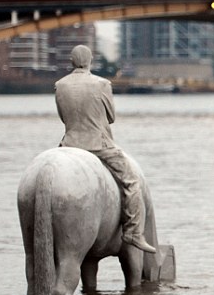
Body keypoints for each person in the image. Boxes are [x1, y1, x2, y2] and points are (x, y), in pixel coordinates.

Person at [54, 45, 157, 254]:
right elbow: (111, 117)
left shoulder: (59, 85)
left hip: (68, 145)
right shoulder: (102, 84)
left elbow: (64, 117)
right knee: (131, 181)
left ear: (72, 61)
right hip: (98, 145)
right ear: (89, 61)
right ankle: (133, 232)